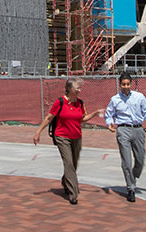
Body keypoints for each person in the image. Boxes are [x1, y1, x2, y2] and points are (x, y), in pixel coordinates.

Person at [32, 77, 103, 205]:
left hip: (77, 137)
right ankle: (73, 192)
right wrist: (38, 132)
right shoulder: (60, 102)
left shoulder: (80, 103)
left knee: (74, 164)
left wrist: (95, 114)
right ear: (69, 89)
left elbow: (82, 118)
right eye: (77, 88)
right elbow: (49, 118)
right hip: (62, 137)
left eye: (80, 88)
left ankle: (66, 181)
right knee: (69, 163)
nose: (79, 90)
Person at [104, 72, 146, 202]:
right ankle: (130, 188)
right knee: (126, 161)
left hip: (138, 130)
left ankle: (134, 175)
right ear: (120, 84)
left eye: (128, 84)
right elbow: (109, 114)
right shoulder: (115, 99)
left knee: (140, 159)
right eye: (123, 84)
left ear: (131, 84)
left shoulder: (139, 97)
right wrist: (109, 123)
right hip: (123, 130)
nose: (125, 86)